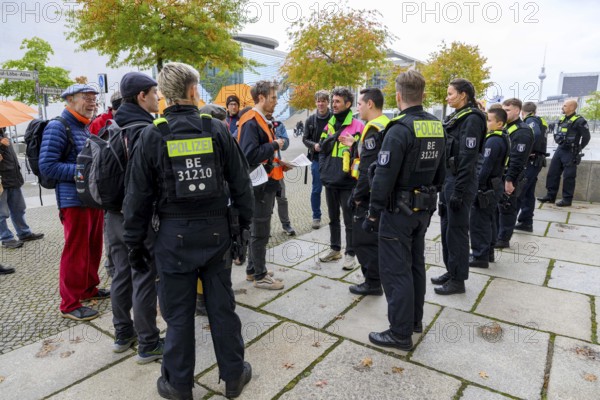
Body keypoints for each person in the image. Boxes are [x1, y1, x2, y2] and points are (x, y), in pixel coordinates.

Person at [123, 62, 253, 399]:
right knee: (222, 307)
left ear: (165, 93)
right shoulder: (217, 129)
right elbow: (242, 185)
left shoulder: (154, 134)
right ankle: (234, 375)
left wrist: (134, 244)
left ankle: (178, 385)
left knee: (178, 314)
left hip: (173, 238)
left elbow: (136, 199)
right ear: (194, 91)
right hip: (216, 234)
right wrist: (244, 229)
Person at [365, 70, 445, 350]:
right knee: (414, 266)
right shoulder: (437, 125)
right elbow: (441, 171)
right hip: (422, 209)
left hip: (397, 212)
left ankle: (400, 333)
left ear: (398, 96)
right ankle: (413, 321)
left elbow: (383, 176)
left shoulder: (399, 129)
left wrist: (373, 212)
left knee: (395, 271)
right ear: (422, 95)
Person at [106, 72, 163, 364]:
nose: (158, 97)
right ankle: (149, 344)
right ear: (142, 96)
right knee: (144, 276)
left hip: (112, 216)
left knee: (120, 275)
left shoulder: (112, 125)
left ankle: (122, 334)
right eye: (155, 93)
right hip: (137, 217)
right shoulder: (144, 130)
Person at [39, 84, 109, 321]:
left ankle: (89, 288)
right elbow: (47, 166)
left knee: (93, 247)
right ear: (69, 99)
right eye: (86, 98)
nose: (92, 103)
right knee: (75, 250)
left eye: (94, 99)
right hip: (73, 200)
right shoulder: (58, 126)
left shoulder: (84, 126)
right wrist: (85, 170)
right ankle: (69, 304)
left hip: (91, 198)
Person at [433, 78, 486, 295]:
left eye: (451, 94)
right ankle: (451, 270)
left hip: (460, 181)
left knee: (457, 232)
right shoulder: (456, 116)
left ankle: (458, 280)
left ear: (463, 95)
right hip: (449, 178)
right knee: (446, 229)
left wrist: (459, 190)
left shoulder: (472, 119)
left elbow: (468, 158)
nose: (447, 98)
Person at [340, 88, 389, 295]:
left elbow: (367, 169)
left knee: (362, 240)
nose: (357, 108)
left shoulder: (372, 129)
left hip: (368, 196)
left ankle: (372, 282)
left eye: (359, 104)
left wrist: (357, 197)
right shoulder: (386, 124)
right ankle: (377, 279)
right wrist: (354, 144)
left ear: (370, 104)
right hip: (382, 194)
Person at [238, 81, 285, 290]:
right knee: (260, 230)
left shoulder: (260, 119)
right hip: (260, 186)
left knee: (259, 227)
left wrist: (279, 162)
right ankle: (260, 275)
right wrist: (275, 145)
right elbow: (249, 155)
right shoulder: (251, 121)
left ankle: (252, 269)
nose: (276, 102)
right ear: (261, 98)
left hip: (267, 182)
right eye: (273, 98)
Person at [318, 87, 364, 270]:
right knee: (332, 217)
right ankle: (335, 249)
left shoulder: (358, 126)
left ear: (348, 104)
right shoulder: (329, 124)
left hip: (347, 181)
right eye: (333, 101)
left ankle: (350, 254)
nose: (333, 105)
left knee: (349, 219)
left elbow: (362, 156)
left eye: (337, 101)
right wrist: (322, 169)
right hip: (330, 179)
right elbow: (321, 148)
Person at [469, 108, 510, 268]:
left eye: (490, 120)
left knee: (479, 223)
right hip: (494, 186)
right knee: (490, 220)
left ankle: (480, 256)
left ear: (500, 123)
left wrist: (475, 186)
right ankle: (488, 252)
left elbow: (484, 168)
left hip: (486, 188)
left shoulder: (493, 140)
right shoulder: (502, 137)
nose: (487, 123)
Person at [495, 98, 534, 249]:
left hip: (511, 176)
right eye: (503, 110)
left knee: (507, 207)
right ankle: (497, 234)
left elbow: (517, 159)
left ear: (517, 110)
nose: (504, 113)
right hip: (501, 174)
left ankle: (503, 239)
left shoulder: (522, 131)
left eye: (507, 110)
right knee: (499, 208)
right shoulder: (506, 127)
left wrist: (510, 180)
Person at [538, 99, 591, 207]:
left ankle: (567, 199)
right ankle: (550, 196)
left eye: (565, 106)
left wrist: (579, 148)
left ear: (572, 108)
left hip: (570, 152)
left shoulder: (580, 121)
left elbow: (586, 137)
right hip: (560, 149)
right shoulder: (562, 119)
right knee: (553, 173)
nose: (562, 107)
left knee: (569, 177)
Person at [0, 128, 44, 249]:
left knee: (19, 208)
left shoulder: (3, 133)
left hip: (13, 177)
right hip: (1, 181)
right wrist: (1, 146)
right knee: (2, 213)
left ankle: (24, 233)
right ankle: (6, 238)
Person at [514, 102, 548, 232]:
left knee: (519, 191)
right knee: (528, 192)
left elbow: (536, 133)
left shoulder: (530, 120)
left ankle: (509, 223)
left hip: (532, 160)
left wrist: (527, 149)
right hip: (536, 161)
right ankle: (526, 221)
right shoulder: (541, 120)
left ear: (522, 112)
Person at [302, 90, 332, 229]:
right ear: (316, 102)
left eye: (323, 101)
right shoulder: (310, 120)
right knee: (316, 189)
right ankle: (316, 217)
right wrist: (314, 146)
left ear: (328, 102)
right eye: (318, 101)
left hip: (332, 158)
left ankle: (334, 216)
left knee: (333, 188)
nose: (320, 103)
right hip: (316, 158)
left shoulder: (334, 118)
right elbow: (305, 139)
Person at [267, 113, 296, 236]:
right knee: (266, 201)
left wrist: (279, 140)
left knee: (282, 198)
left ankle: (286, 225)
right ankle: (264, 227)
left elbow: (286, 145)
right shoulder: (256, 124)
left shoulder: (278, 125)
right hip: (264, 172)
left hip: (278, 171)